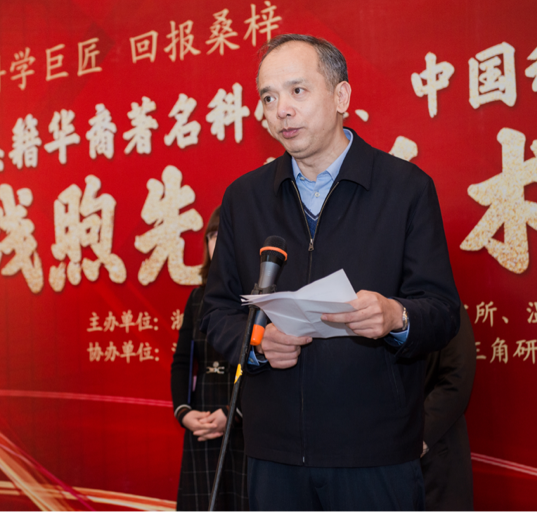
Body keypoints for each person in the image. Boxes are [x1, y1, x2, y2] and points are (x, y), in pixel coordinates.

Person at [202, 34, 461, 511]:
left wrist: (396, 316)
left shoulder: (405, 189)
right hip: (273, 455)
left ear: (341, 96)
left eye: (297, 91)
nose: (281, 110)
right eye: (268, 97)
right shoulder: (244, 198)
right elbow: (216, 311)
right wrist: (256, 343)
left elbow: (443, 311)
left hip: (375, 454)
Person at [171, 207, 247, 511]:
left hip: (245, 421)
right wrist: (184, 412)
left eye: (224, 235)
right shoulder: (197, 299)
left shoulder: (257, 299)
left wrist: (233, 413)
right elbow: (182, 362)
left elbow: (265, 365)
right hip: (202, 421)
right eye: (212, 235)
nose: (217, 241)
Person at [422, 304, 476, 511]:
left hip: (436, 450)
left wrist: (417, 437)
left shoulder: (445, 304)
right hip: (388, 460)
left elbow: (457, 378)